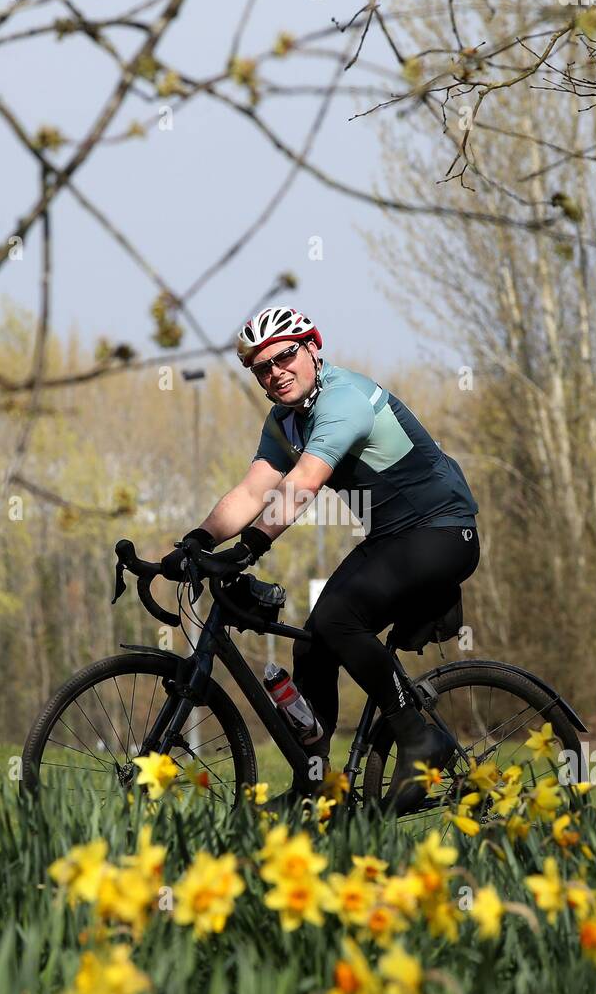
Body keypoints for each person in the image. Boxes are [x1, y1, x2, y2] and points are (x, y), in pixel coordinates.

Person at [161, 306, 481, 813]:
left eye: (285, 356)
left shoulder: (342, 401)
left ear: (313, 348)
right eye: (262, 368)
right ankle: (315, 783)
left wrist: (248, 549)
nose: (276, 372)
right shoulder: (286, 419)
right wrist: (197, 543)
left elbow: (303, 483)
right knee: (313, 644)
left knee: (337, 618)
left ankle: (419, 738)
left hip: (441, 532)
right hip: (392, 537)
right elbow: (251, 491)